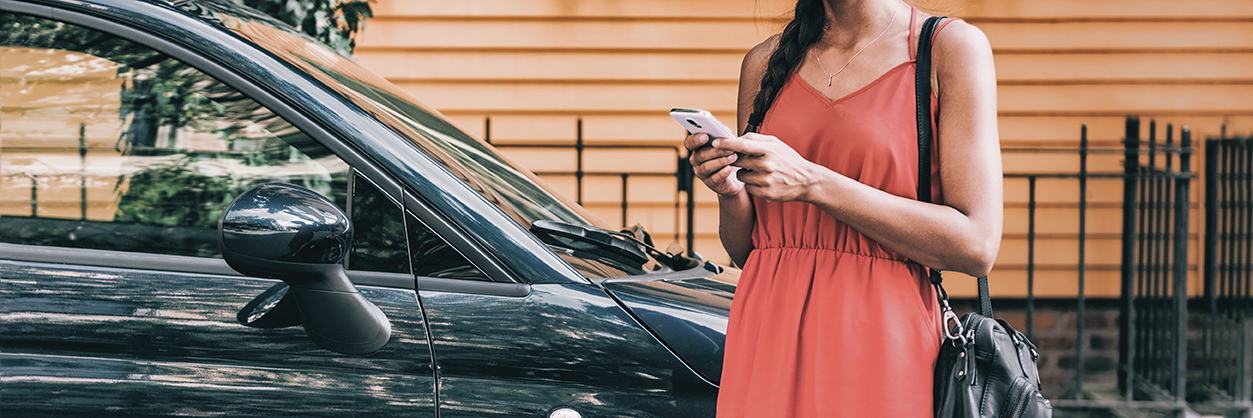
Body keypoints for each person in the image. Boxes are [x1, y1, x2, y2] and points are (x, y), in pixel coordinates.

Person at [683, 0, 1002, 416]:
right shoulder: (764, 62)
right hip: (768, 332)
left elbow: (976, 245)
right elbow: (750, 251)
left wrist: (814, 182)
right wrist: (729, 190)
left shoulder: (948, 49)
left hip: (878, 343)